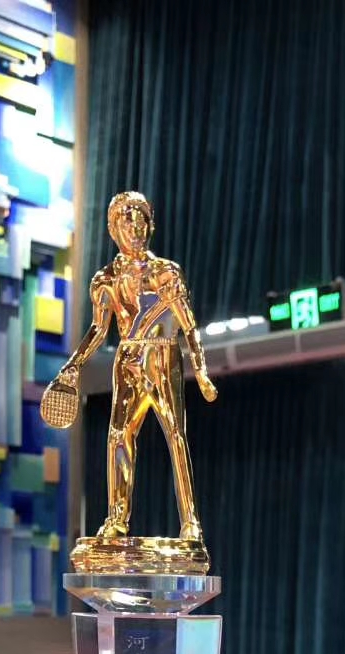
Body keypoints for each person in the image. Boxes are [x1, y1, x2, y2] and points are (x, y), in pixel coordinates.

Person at [51, 191, 217, 542]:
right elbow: (98, 331)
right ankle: (117, 519)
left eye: (142, 222)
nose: (136, 230)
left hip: (163, 356)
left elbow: (188, 325)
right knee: (118, 436)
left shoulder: (166, 272)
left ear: (150, 227)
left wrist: (200, 369)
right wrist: (74, 364)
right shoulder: (105, 280)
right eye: (128, 223)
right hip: (128, 360)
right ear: (114, 230)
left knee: (175, 434)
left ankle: (190, 521)